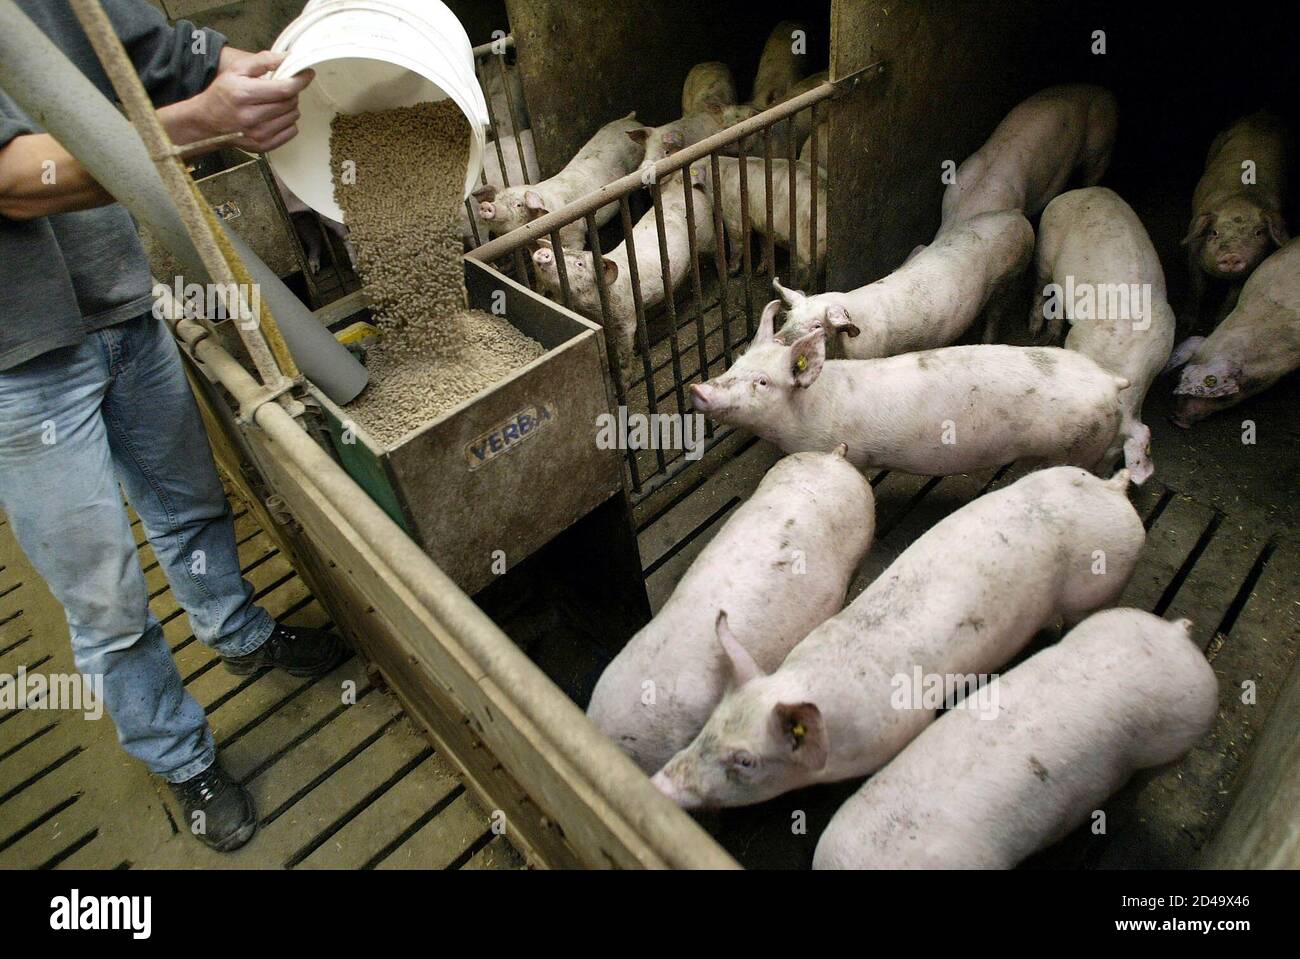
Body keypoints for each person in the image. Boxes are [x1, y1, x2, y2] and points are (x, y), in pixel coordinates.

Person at [0, 0, 345, 853]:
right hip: (17, 359)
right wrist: (195, 126)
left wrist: (238, 66)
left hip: (117, 295)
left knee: (189, 500)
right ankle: (179, 752)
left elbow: (146, 44)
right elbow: (12, 180)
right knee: (105, 591)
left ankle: (237, 633)